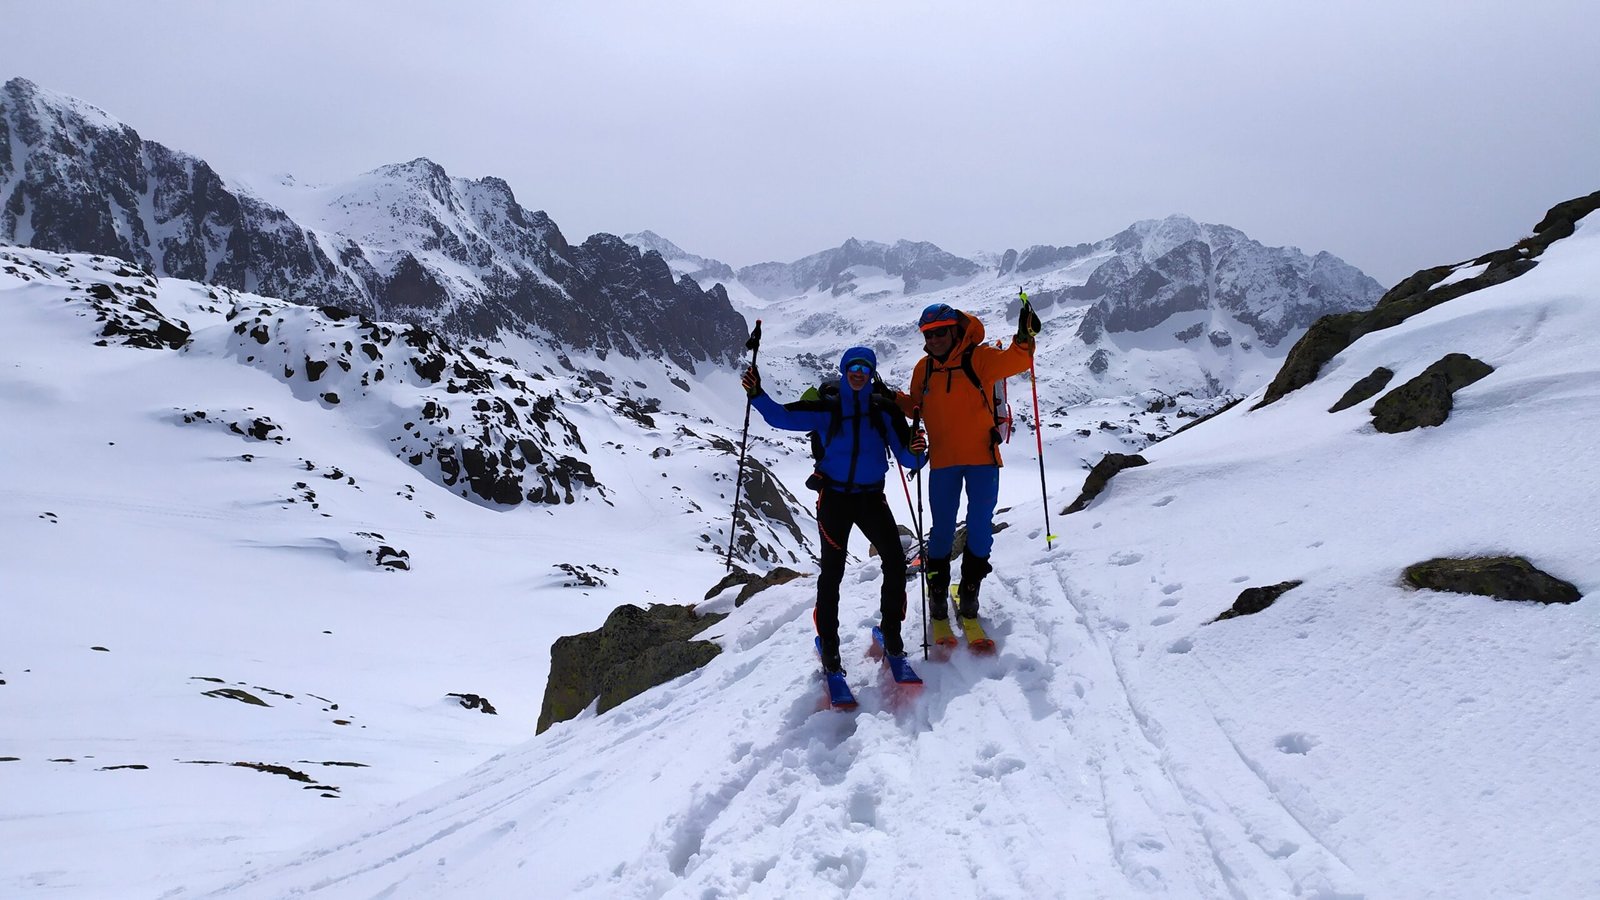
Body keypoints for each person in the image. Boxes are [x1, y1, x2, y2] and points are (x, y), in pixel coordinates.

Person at [741, 347, 928, 674]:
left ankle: (892, 635)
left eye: (864, 368)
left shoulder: (884, 411)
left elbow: (908, 459)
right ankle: (830, 650)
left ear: (871, 373)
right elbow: (782, 417)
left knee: (896, 562)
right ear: (844, 370)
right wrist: (756, 394)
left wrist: (919, 452)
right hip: (834, 499)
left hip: (872, 498)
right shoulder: (828, 408)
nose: (858, 372)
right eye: (852, 367)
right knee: (832, 574)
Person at [897, 302, 1040, 621]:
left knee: (979, 528)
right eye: (927, 334)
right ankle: (937, 590)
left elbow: (1018, 360)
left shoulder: (981, 358)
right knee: (942, 531)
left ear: (956, 330)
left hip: (982, 460)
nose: (933, 339)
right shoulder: (924, 368)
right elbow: (916, 407)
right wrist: (890, 397)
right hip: (944, 462)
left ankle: (971, 588)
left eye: (940, 332)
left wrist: (1024, 336)